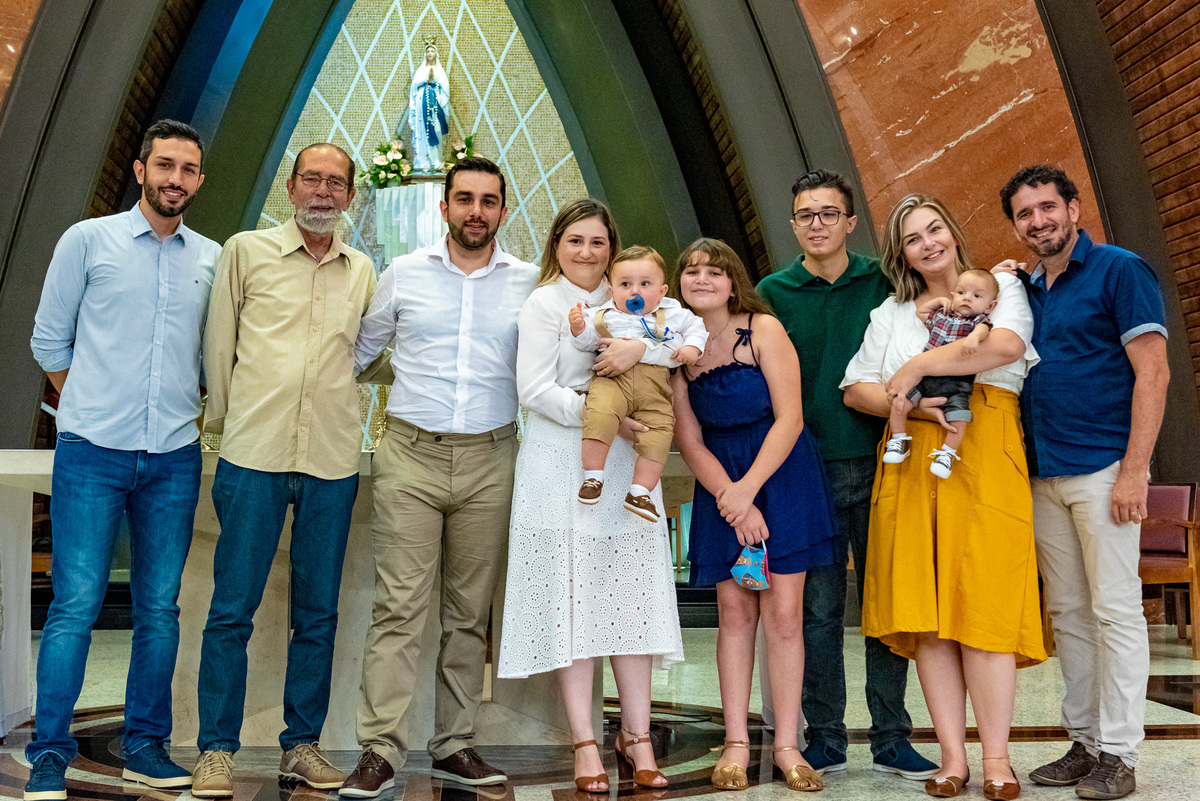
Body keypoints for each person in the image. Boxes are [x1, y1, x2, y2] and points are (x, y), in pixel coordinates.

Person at [25, 120, 218, 801]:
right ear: (140, 170)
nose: (175, 179)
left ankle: (144, 746)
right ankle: (49, 752)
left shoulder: (211, 258)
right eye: (164, 165)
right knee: (75, 606)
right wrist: (90, 402)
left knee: (159, 609)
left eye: (187, 169)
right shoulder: (87, 240)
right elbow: (49, 341)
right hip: (92, 454)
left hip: (172, 456)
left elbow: (211, 355)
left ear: (199, 180)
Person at [340, 157, 538, 798]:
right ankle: (379, 750)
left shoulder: (528, 282)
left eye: (488, 200)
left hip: (491, 458)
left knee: (469, 614)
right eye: (465, 198)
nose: (476, 211)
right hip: (411, 456)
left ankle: (454, 744)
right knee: (398, 609)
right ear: (445, 206)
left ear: (502, 210)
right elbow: (360, 353)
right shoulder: (404, 274)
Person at [841, 194, 1046, 800]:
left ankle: (998, 760)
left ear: (954, 234)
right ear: (902, 255)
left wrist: (915, 367)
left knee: (984, 607)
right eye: (912, 238)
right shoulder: (891, 313)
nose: (927, 243)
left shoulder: (1002, 287)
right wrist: (910, 400)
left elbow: (1003, 348)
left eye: (935, 229)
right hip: (914, 460)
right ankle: (953, 759)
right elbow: (856, 388)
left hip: (984, 449)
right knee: (928, 618)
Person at [192, 143, 375, 797]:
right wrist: (224, 424)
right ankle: (216, 751)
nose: (323, 191)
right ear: (291, 187)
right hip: (255, 455)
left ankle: (301, 745)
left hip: (331, 458)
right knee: (231, 610)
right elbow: (218, 342)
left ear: (350, 195)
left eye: (336, 182)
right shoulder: (246, 251)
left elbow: (369, 353)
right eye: (312, 179)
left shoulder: (362, 271)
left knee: (318, 614)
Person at [496, 199, 683, 794]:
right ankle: (585, 742)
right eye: (575, 240)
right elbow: (533, 390)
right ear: (557, 245)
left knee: (630, 599)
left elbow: (676, 347)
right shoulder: (544, 303)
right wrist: (606, 417)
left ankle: (638, 736)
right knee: (570, 601)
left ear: (612, 248)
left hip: (628, 466)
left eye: (598, 241)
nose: (586, 251)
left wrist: (640, 354)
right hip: (560, 465)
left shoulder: (634, 293)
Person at [755, 170, 935, 780]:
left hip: (887, 462)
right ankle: (826, 736)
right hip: (805, 471)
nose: (818, 224)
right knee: (819, 611)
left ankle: (891, 737)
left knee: (884, 605)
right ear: (793, 225)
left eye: (829, 213)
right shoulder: (772, 292)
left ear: (851, 222)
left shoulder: (886, 281)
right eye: (806, 215)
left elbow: (955, 296)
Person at [998, 166, 1168, 801]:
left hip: (1103, 469)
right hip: (1042, 471)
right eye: (1025, 214)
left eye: (1048, 207)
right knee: (1068, 613)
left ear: (1073, 208)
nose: (1038, 221)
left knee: (1116, 611)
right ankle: (1086, 742)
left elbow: (1154, 374)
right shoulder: (1024, 288)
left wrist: (1134, 470)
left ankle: (1120, 753)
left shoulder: (1120, 270)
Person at [671, 237, 837, 792]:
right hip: (720, 481)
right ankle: (737, 743)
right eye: (691, 270)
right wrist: (731, 498)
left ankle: (788, 744)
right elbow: (689, 440)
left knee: (785, 615)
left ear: (732, 282)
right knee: (735, 613)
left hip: (781, 474)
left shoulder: (762, 329)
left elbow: (791, 418)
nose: (702, 278)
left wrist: (749, 491)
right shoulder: (676, 349)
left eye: (714, 271)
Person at [570, 245, 707, 521]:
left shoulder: (671, 313)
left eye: (645, 284)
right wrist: (579, 329)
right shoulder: (603, 315)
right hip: (613, 382)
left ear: (662, 291)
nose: (635, 291)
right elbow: (587, 343)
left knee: (660, 431)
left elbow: (696, 327)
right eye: (625, 284)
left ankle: (640, 491)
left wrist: (692, 348)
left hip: (654, 389)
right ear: (612, 290)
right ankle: (593, 476)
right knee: (599, 413)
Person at [883, 269, 1000, 479]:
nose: (967, 298)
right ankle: (899, 440)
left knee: (959, 419)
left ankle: (947, 454)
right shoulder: (942, 317)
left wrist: (974, 338)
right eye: (961, 292)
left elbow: (984, 330)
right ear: (953, 296)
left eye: (977, 295)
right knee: (900, 402)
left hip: (956, 383)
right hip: (925, 377)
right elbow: (920, 313)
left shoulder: (976, 322)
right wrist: (938, 301)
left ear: (990, 306)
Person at [408, 40, 449, 172]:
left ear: (436, 54)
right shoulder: (421, 70)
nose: (430, 53)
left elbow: (445, 87)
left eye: (432, 51)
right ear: (425, 54)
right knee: (422, 130)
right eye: (428, 51)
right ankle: (424, 161)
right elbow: (414, 86)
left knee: (437, 129)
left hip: (435, 103)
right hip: (422, 104)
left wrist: (435, 80)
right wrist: (426, 79)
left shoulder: (439, 70)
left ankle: (437, 159)